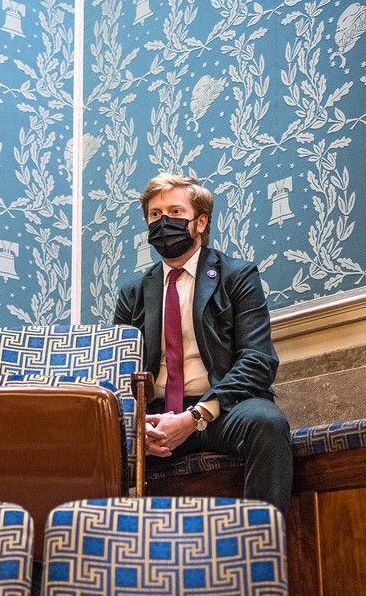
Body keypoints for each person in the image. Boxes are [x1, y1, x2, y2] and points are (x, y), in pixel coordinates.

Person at [113, 173, 292, 512]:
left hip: (219, 409)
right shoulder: (133, 292)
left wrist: (194, 416)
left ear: (200, 222)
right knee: (96, 439)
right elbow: (118, 372)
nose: (163, 221)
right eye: (154, 214)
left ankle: (260, 555)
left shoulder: (237, 276)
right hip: (154, 417)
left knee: (268, 424)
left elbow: (258, 360)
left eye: (176, 212)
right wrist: (136, 426)